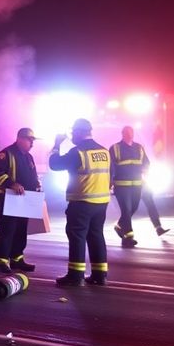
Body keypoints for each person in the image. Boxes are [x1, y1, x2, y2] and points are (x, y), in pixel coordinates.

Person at [49, 119, 111, 286]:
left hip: (82, 202)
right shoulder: (104, 151)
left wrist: (56, 145)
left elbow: (54, 164)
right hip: (101, 202)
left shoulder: (78, 152)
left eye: (72, 133)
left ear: (78, 132)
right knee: (96, 235)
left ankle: (76, 276)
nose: (71, 137)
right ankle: (100, 274)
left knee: (77, 236)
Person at [0, 128, 42, 274]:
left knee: (21, 229)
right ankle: (1, 262)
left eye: (33, 141)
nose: (32, 143)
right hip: (5, 196)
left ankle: (17, 259)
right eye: (29, 140)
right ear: (19, 138)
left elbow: (32, 175)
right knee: (7, 229)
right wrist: (12, 184)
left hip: (22, 198)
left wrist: (36, 184)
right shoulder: (6, 154)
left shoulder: (28, 157)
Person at [109, 126, 147, 248]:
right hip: (121, 185)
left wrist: (146, 173)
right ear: (122, 134)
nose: (129, 134)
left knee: (133, 208)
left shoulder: (139, 148)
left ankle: (120, 226)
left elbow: (146, 163)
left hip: (137, 184)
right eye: (127, 132)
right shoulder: (115, 148)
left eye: (131, 132)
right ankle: (128, 238)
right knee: (126, 209)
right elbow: (111, 166)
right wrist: (110, 181)